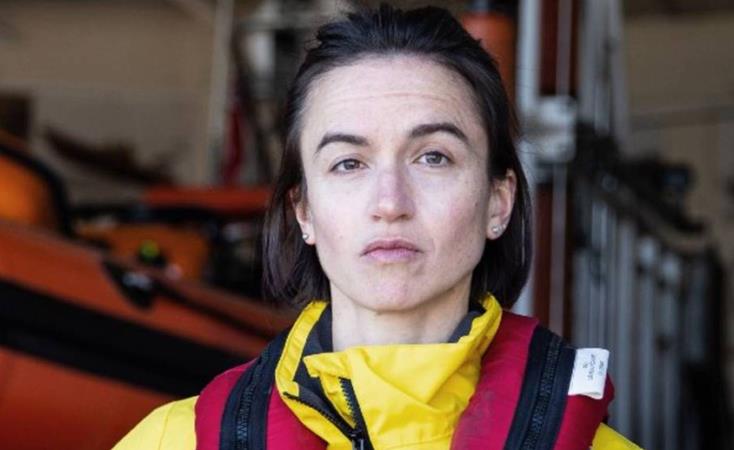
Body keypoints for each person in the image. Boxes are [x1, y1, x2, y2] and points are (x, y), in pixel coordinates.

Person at [114, 5, 640, 450]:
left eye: (433, 157)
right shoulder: (173, 440)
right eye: (348, 163)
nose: (390, 203)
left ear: (497, 203)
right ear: (305, 212)